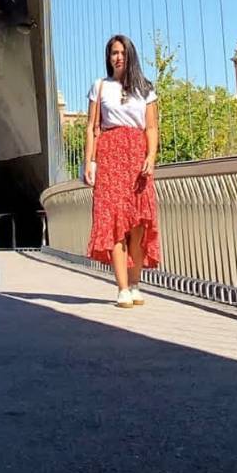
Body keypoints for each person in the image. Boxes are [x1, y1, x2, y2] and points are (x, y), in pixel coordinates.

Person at [83, 33, 160, 308]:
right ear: (108, 57)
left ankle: (136, 283)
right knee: (115, 222)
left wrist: (151, 157)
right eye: (114, 53)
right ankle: (122, 288)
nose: (118, 57)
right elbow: (93, 128)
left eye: (122, 53)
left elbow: (151, 127)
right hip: (110, 156)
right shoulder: (100, 87)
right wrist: (89, 162)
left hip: (137, 158)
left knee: (138, 224)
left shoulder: (146, 89)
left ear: (130, 56)